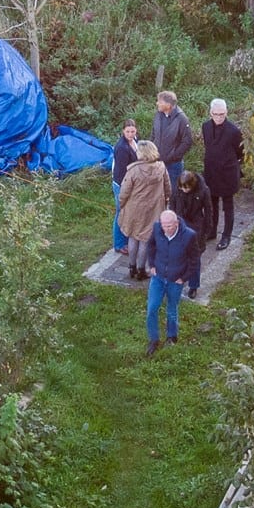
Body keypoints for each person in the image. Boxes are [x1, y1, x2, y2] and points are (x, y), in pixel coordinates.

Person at [116, 140, 169, 283]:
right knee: (145, 240)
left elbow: (124, 192)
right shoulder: (161, 167)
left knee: (133, 237)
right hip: (154, 210)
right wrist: (166, 202)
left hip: (134, 209)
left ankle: (131, 268)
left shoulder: (133, 170)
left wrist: (122, 205)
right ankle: (141, 270)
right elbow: (168, 188)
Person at [145, 209, 196, 356]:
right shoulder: (157, 228)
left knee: (172, 309)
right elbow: (151, 246)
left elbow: (194, 261)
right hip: (158, 277)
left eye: (169, 226)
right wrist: (152, 265)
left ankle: (171, 336)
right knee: (152, 308)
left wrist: (184, 278)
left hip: (175, 280)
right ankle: (154, 339)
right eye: (163, 225)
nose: (165, 229)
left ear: (176, 223)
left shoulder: (188, 236)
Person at [202, 97, 246, 250]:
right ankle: (212, 231)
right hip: (211, 172)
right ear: (210, 113)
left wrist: (231, 163)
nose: (219, 117)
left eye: (222, 114)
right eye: (216, 114)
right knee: (211, 204)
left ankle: (226, 236)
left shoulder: (234, 131)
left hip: (227, 173)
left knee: (228, 206)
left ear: (226, 112)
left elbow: (241, 152)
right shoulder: (205, 127)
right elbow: (208, 146)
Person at [170, 170, 213, 299]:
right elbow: (172, 205)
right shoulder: (177, 190)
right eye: (181, 187)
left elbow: (209, 209)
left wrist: (207, 229)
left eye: (186, 187)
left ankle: (193, 286)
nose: (184, 190)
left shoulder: (203, 190)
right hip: (180, 224)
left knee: (195, 258)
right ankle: (177, 280)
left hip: (196, 226)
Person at [109, 120, 139, 254]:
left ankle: (126, 239)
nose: (130, 134)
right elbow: (122, 171)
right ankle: (119, 244)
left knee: (128, 213)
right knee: (120, 213)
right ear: (123, 131)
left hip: (131, 182)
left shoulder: (135, 141)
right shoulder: (122, 148)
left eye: (132, 131)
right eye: (127, 131)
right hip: (121, 184)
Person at [153, 90, 193, 189]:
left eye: (160, 102)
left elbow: (187, 141)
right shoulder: (158, 114)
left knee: (173, 193)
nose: (157, 103)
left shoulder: (181, 119)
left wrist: (173, 156)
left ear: (168, 105)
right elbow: (153, 134)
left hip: (174, 165)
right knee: (159, 192)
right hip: (158, 162)